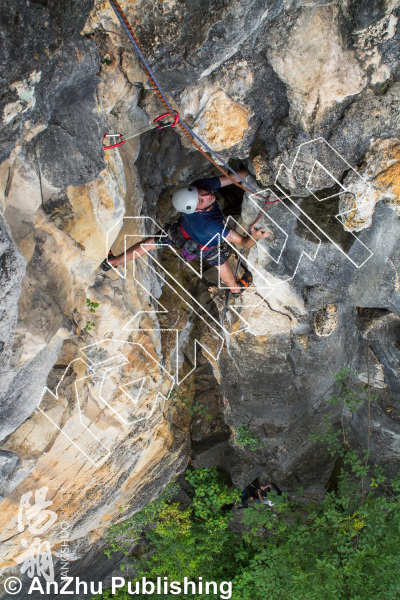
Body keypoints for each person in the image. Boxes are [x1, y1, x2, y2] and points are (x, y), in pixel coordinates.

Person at [108, 171, 270, 295]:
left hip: (180, 233)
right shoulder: (212, 228)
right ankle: (236, 289)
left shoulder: (196, 189)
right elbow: (244, 242)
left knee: (150, 244)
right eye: (201, 201)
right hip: (205, 246)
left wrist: (248, 173)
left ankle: (114, 261)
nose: (207, 195)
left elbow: (232, 177)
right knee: (220, 262)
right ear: (196, 208)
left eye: (202, 193)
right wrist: (255, 236)